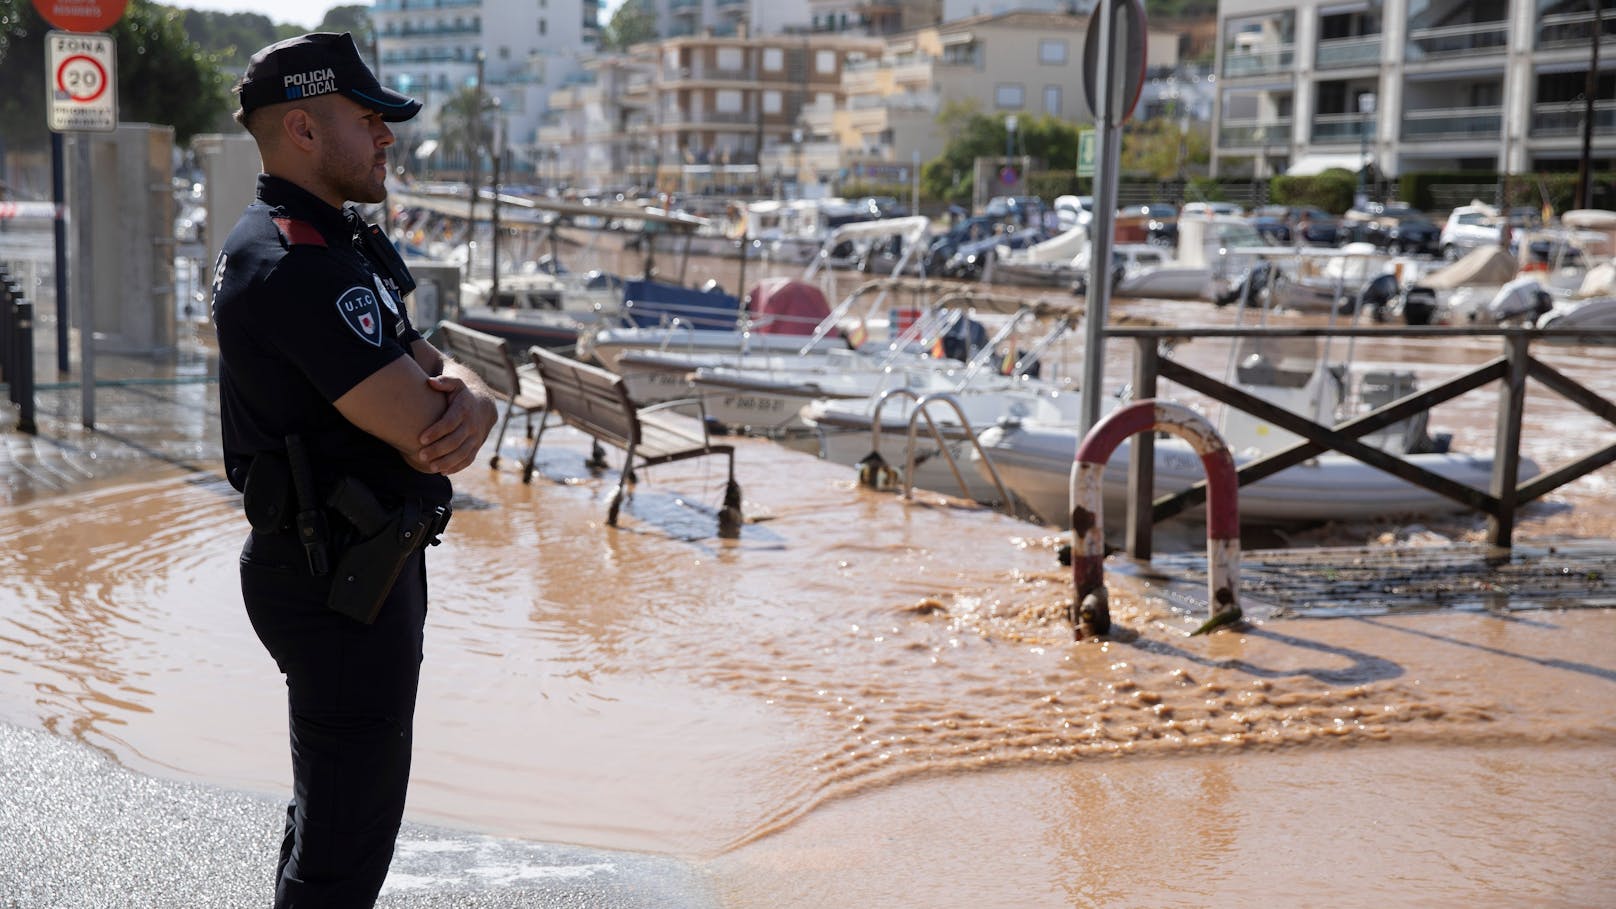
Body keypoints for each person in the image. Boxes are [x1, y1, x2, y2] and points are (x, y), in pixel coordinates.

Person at [210, 32, 498, 907]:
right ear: (301, 127)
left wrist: (479, 399)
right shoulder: (290, 262)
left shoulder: (330, 243)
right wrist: (461, 407)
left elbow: (440, 368)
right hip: (335, 572)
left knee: (331, 812)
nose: (387, 136)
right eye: (368, 118)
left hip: (352, 561)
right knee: (347, 846)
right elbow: (422, 424)